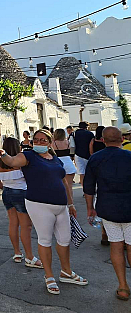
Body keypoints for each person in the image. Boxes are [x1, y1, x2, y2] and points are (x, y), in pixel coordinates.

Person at [0, 129, 87, 295]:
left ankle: (66, 272)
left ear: (50, 142)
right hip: (39, 204)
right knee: (45, 240)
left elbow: (64, 182)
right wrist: (3, 155)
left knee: (64, 240)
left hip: (61, 206)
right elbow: (12, 161)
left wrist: (71, 204)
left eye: (43, 140)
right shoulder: (29, 156)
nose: (38, 143)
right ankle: (49, 276)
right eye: (36, 140)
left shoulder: (56, 160)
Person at [83, 127, 131, 301]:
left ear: (102, 140)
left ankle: (123, 287)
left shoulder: (96, 158)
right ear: (122, 139)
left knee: (116, 246)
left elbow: (88, 187)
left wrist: (90, 208)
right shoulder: (129, 156)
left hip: (108, 208)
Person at [0, 137, 42, 269]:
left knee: (13, 223)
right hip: (21, 193)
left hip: (7, 193)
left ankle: (17, 253)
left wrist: (6, 188)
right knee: (26, 226)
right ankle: (30, 256)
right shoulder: (20, 162)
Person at [74, 122, 94, 187]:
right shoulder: (90, 134)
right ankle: (90, 188)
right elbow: (92, 144)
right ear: (86, 127)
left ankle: (84, 189)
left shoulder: (74, 133)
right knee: (89, 173)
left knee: (81, 173)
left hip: (78, 154)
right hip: (87, 155)